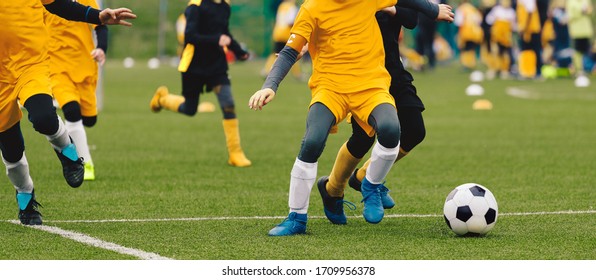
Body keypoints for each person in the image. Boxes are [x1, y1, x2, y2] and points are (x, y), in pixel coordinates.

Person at [249, 0, 453, 236]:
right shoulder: (312, 7)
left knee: (392, 129)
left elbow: (408, 6)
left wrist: (433, 9)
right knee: (316, 141)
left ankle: (371, 184)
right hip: (331, 86)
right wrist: (270, 86)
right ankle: (298, 216)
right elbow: (289, 50)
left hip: (372, 82)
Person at [0, 0, 135, 225]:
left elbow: (59, 5)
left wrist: (97, 16)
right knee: (11, 148)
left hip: (30, 64)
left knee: (43, 117)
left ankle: (67, 150)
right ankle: (25, 194)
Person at [317, 3, 453, 225]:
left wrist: (390, 9)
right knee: (363, 138)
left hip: (393, 70)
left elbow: (411, 19)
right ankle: (332, 189)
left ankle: (364, 178)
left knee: (415, 131)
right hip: (362, 75)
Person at [150, 0, 251, 167]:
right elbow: (190, 36)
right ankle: (162, 100)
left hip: (216, 66)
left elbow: (224, 33)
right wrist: (216, 40)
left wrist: (239, 51)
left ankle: (235, 153)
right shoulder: (195, 6)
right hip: (193, 66)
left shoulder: (225, 6)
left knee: (228, 104)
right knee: (190, 109)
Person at [44, 0, 109, 181]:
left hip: (84, 66)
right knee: (72, 111)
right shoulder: (43, 3)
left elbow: (101, 25)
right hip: (56, 67)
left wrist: (101, 48)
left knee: (89, 119)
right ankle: (85, 163)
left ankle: (69, 138)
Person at [261, 0, 303, 80]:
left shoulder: (282, 5)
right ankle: (298, 74)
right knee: (293, 52)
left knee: (276, 53)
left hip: (278, 32)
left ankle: (266, 70)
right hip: (287, 33)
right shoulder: (292, 7)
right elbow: (290, 21)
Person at [485, 0, 517, 79]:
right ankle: (494, 69)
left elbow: (514, 26)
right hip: (496, 36)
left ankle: (504, 70)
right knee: (495, 52)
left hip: (506, 37)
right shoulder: (497, 10)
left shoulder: (511, 12)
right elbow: (489, 20)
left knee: (505, 54)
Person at [454, 0, 485, 71]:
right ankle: (471, 63)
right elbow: (479, 20)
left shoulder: (461, 9)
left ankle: (466, 64)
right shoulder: (473, 8)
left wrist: (458, 33)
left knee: (465, 48)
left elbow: (459, 22)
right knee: (471, 48)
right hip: (475, 32)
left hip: (465, 31)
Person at [566, 0, 594, 77]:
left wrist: (586, 11)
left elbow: (590, 11)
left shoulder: (586, 1)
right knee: (577, 51)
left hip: (586, 31)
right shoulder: (571, 2)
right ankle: (578, 70)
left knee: (586, 51)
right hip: (576, 31)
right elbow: (570, 15)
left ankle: (586, 69)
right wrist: (581, 11)